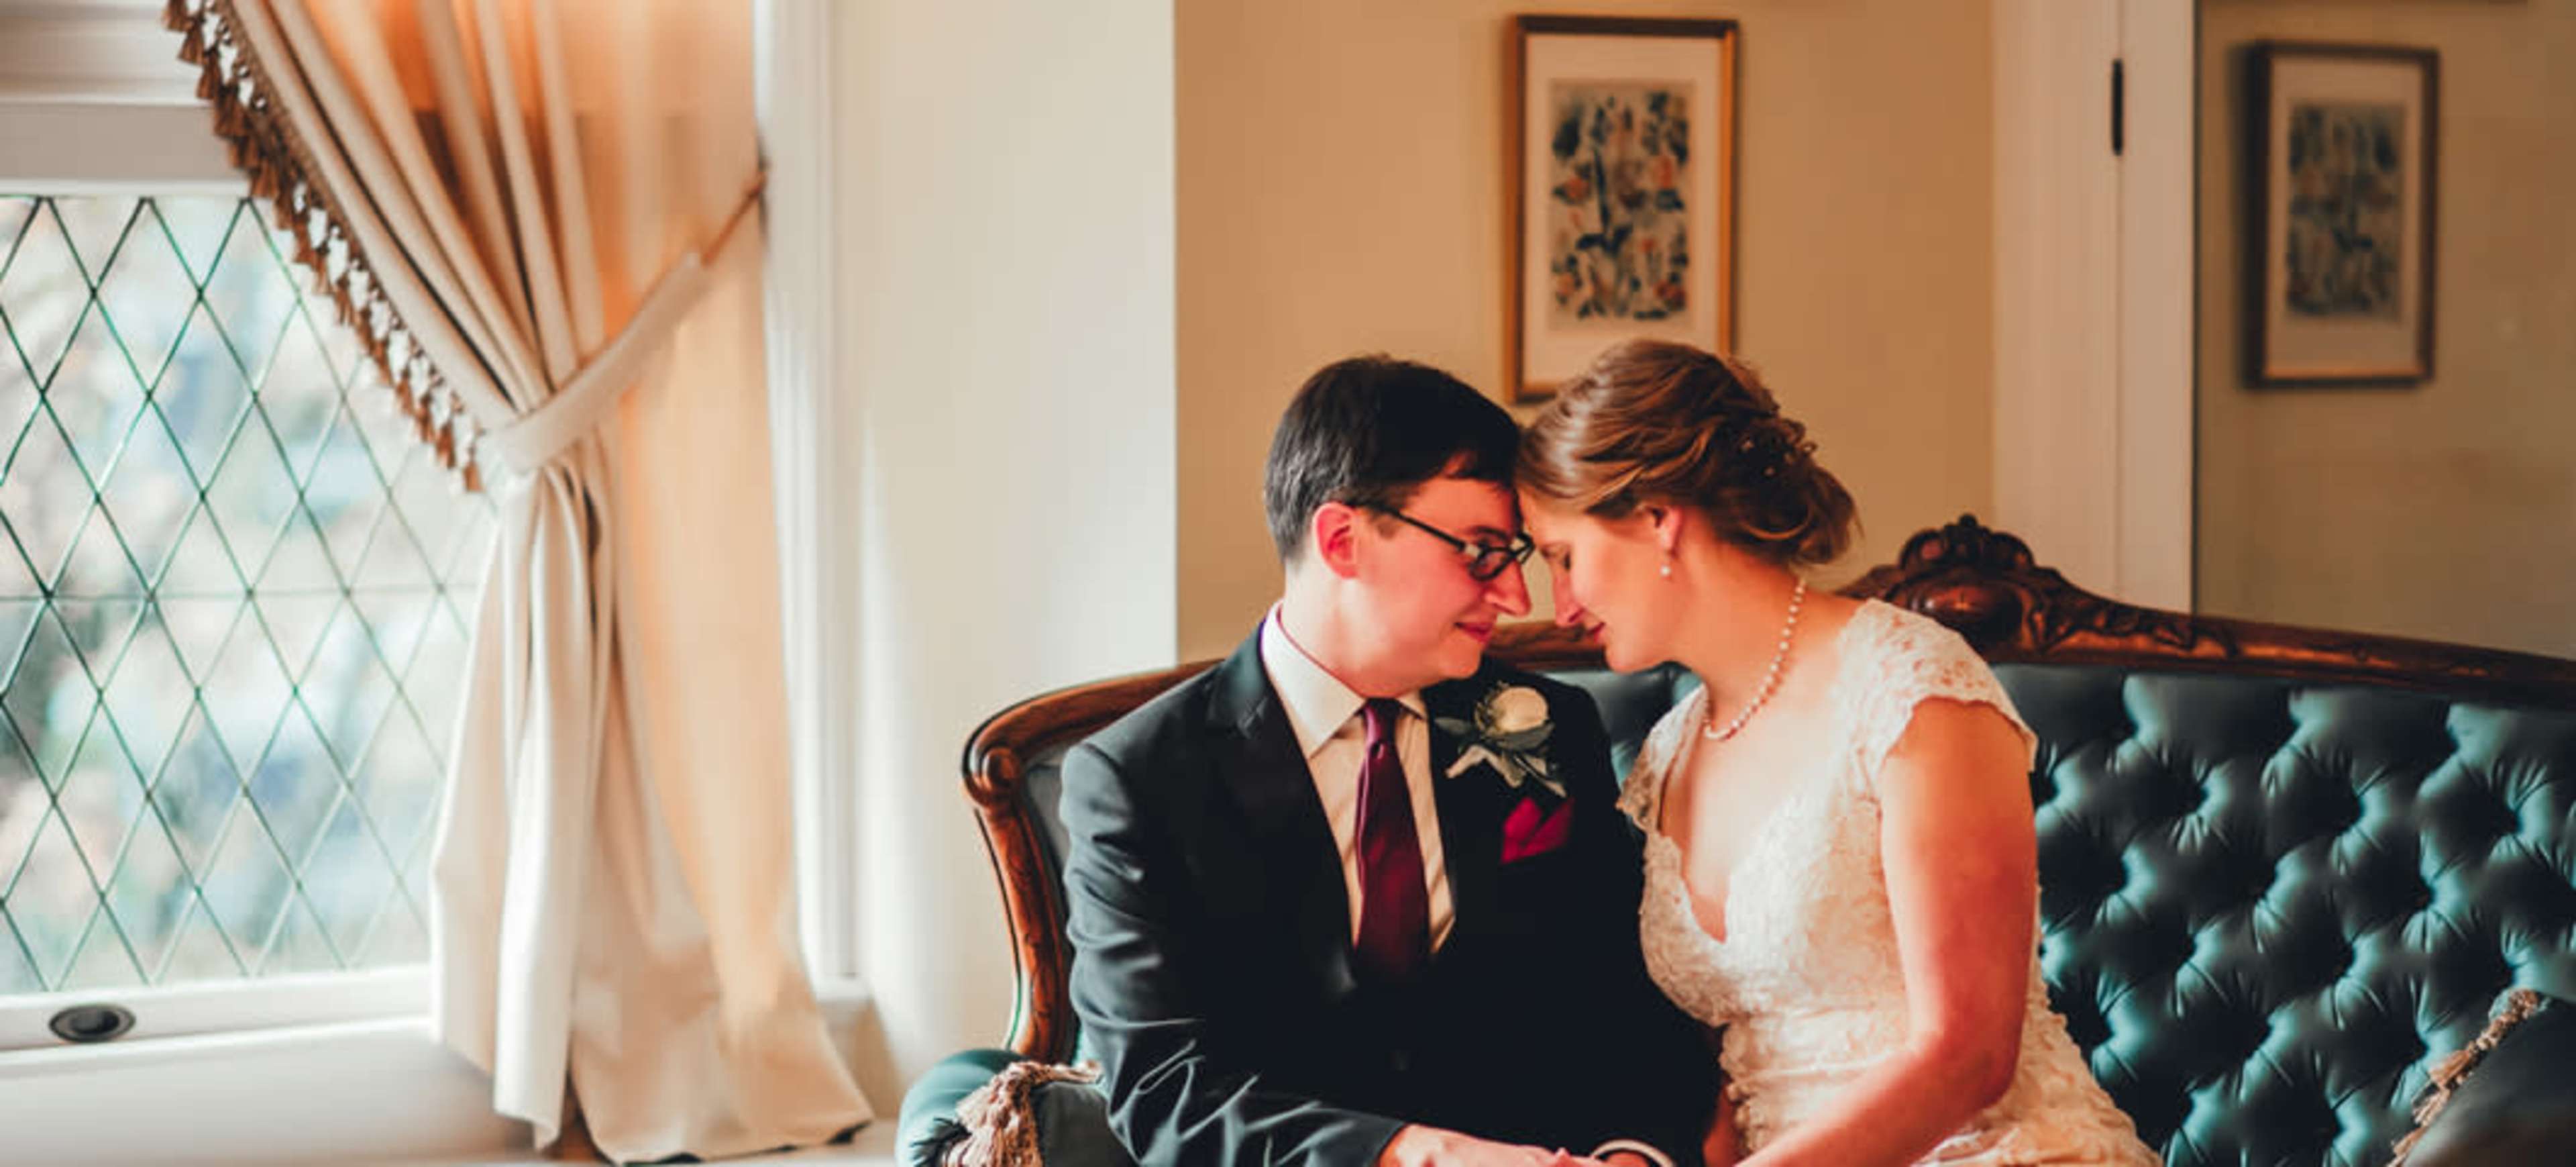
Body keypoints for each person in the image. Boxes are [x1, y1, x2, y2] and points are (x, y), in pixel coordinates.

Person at [1061, 356, 1720, 1166]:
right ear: (1342, 540)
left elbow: (1627, 1003)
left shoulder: (1550, 725)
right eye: (1481, 552)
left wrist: (1631, 1153)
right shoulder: (1138, 781)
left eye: (1515, 554)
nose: (1518, 598)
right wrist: (1419, 1157)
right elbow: (1163, 1089)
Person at [1515, 340, 2159, 1166]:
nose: (1561, 604)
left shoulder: (1911, 690)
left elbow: (1968, 1054)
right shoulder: (1672, 750)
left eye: (1565, 558)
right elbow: (1733, 1064)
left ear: (1655, 516)